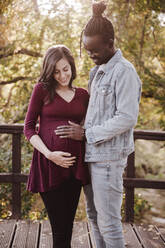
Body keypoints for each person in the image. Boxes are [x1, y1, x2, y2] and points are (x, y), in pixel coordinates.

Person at [55, 2, 142, 248]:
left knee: (109, 222)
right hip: (91, 156)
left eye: (94, 50)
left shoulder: (124, 72)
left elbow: (127, 117)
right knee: (93, 217)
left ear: (110, 42)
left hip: (108, 160)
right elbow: (96, 112)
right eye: (86, 50)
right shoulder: (99, 71)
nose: (90, 55)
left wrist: (86, 133)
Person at [24, 45, 90, 248]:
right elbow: (28, 129)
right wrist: (50, 154)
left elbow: (90, 127)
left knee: (67, 227)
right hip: (49, 166)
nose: (62, 75)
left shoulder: (83, 95)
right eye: (56, 71)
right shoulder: (42, 90)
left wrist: (84, 134)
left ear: (72, 67)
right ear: (49, 71)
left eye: (66, 69)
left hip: (74, 167)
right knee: (59, 229)